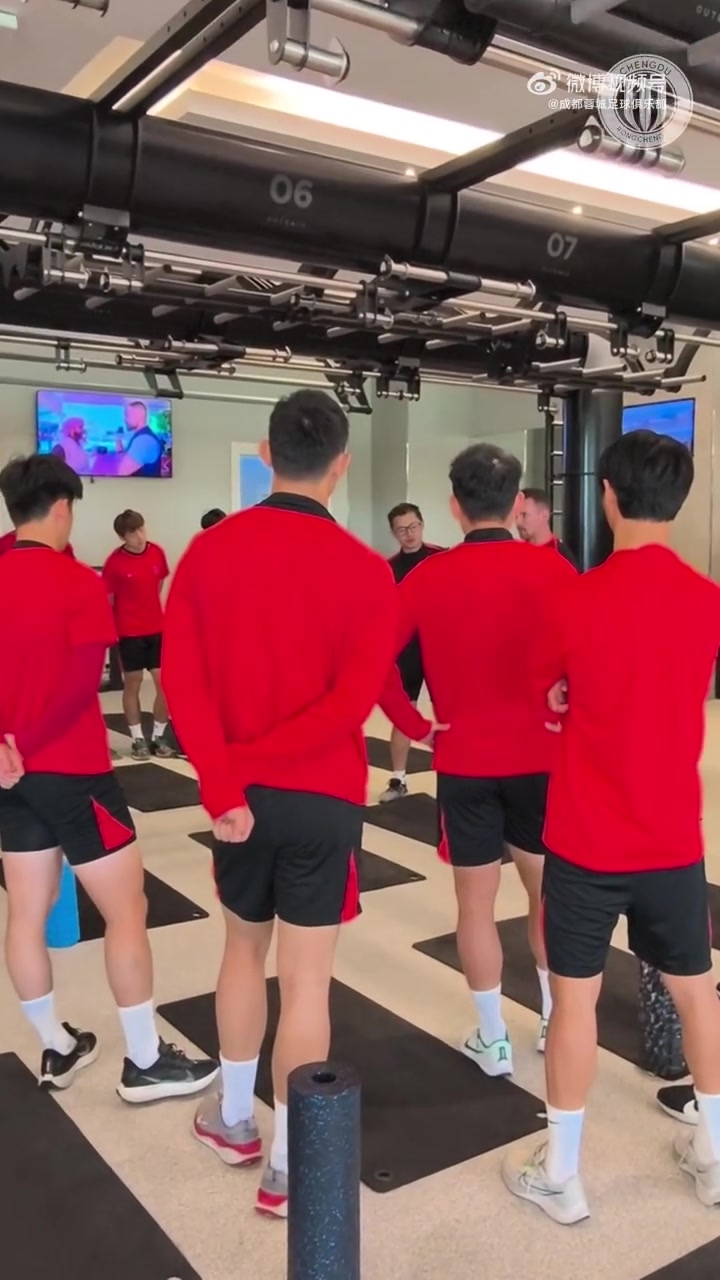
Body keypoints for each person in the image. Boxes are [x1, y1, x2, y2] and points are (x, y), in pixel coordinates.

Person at [162, 389, 420, 1219]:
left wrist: (225, 779)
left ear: (268, 455)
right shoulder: (368, 571)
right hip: (323, 798)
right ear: (342, 463)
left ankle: (234, 1120)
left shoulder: (207, 553)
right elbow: (350, 707)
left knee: (243, 953)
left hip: (238, 801)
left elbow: (182, 683)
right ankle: (289, 1166)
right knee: (307, 984)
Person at [503, 430, 720, 1224]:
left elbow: (542, 686)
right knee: (698, 995)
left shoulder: (575, 597)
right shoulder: (707, 601)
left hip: (587, 841)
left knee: (576, 1000)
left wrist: (562, 694)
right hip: (671, 840)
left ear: (607, 496)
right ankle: (715, 1158)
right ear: (678, 501)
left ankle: (562, 1174)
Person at [0, 453, 218, 1102]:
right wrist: (24, 742)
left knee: (26, 913)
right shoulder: (77, 583)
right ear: (62, 507)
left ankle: (57, 1045)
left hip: (9, 777)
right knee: (126, 911)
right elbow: (80, 688)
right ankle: (145, 1062)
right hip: (72, 771)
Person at [380, 444, 576, 1069]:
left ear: (453, 506)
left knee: (474, 906)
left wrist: (417, 725)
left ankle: (493, 1039)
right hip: (541, 761)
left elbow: (371, 663)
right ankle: (554, 1021)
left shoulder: (426, 578)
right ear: (517, 503)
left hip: (464, 763)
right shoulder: (555, 572)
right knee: (546, 896)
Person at [379, 504, 443, 803]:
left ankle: (455, 775)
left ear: (422, 524)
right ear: (394, 533)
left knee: (449, 713)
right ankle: (398, 779)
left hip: (439, 646)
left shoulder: (441, 558)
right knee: (405, 712)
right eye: (402, 529)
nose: (409, 534)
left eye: (413, 526)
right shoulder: (388, 569)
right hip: (407, 650)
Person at [102, 511, 173, 760]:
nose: (140, 536)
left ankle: (158, 736)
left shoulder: (157, 553)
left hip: (156, 628)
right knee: (133, 682)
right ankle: (138, 739)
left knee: (165, 683)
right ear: (123, 537)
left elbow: (157, 585)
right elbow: (109, 600)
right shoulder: (115, 563)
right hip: (129, 632)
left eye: (141, 529)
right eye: (133, 533)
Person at [516, 488, 578, 569]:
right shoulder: (515, 554)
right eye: (516, 515)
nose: (518, 522)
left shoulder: (563, 558)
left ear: (544, 516)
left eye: (524, 515)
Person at [110, 401, 164, 478]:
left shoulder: (144, 441)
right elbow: (123, 461)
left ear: (138, 416)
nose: (125, 419)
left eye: (127, 415)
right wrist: (118, 440)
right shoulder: (142, 437)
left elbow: (121, 473)